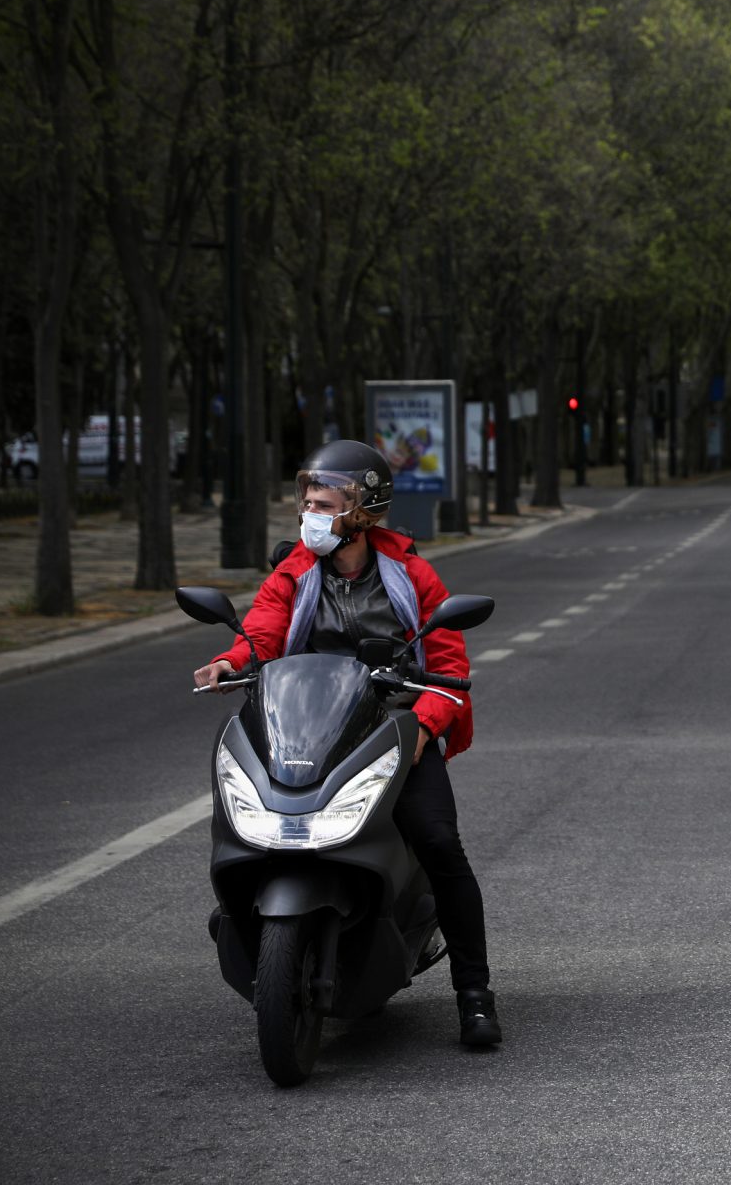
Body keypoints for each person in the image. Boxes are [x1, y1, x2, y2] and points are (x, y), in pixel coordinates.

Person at [193, 439, 501, 1048]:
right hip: (308, 727)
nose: (308, 513)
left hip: (394, 729)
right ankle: (242, 917)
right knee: (249, 816)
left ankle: (474, 994)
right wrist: (231, 662)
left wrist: (427, 727)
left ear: (360, 511)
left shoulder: (411, 575)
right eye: (306, 502)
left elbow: (447, 664)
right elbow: (261, 634)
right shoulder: (295, 572)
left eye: (322, 503)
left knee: (439, 841)